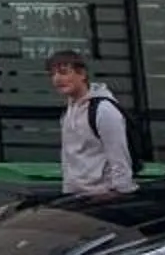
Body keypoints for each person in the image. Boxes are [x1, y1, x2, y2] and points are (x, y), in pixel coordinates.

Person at [50, 50, 133, 200]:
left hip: (102, 197)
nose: (57, 79)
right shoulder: (68, 112)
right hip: (75, 197)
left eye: (63, 72)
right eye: (53, 74)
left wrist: (120, 194)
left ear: (82, 74)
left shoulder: (103, 110)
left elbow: (119, 156)